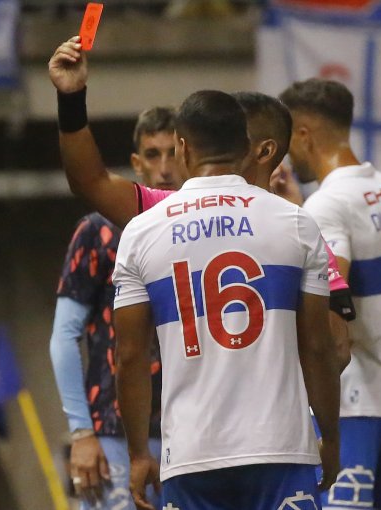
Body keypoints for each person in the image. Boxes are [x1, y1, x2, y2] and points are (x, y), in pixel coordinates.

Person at [48, 37, 354, 369]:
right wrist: (71, 99)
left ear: (264, 151)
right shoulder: (295, 224)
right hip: (253, 417)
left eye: (236, 133)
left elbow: (336, 346)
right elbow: (90, 182)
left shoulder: (293, 223)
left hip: (223, 418)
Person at [111, 89, 341, 509]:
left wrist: (138, 452)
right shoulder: (295, 223)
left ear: (182, 147)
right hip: (281, 449)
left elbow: (129, 356)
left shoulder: (142, 233)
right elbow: (318, 346)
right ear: (245, 145)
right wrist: (330, 434)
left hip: (190, 455)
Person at [280, 78, 381, 510]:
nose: (287, 154)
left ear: (304, 134)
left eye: (288, 141)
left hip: (355, 401)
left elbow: (327, 305)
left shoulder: (328, 205)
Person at [50, 106, 181, 509]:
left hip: (190, 430)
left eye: (172, 152)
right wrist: (81, 433)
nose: (164, 167)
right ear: (137, 164)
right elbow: (64, 336)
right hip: (114, 430)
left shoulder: (204, 229)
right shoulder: (99, 230)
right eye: (153, 155)